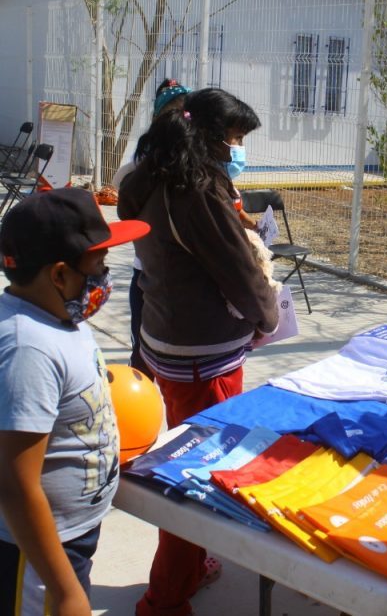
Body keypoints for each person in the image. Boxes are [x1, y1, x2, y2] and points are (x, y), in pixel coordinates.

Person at [117, 87, 278, 616]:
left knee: (188, 456)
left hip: (164, 339)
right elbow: (239, 273)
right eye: (235, 138)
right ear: (209, 136)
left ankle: (190, 567)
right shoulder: (197, 191)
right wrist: (268, 317)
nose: (238, 149)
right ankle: (164, 598)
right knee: (197, 476)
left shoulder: (149, 177)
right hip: (203, 356)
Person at [0, 188, 149, 615]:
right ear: (60, 275)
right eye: (98, 266)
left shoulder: (61, 315)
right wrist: (64, 589)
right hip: (38, 555)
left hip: (72, 534)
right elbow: (15, 484)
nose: (106, 277)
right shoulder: (28, 349)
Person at [113, 78, 193, 379]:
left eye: (186, 112)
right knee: (143, 347)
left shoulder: (195, 163)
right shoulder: (146, 160)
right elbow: (121, 184)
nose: (182, 118)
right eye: (175, 111)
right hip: (146, 270)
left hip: (182, 273)